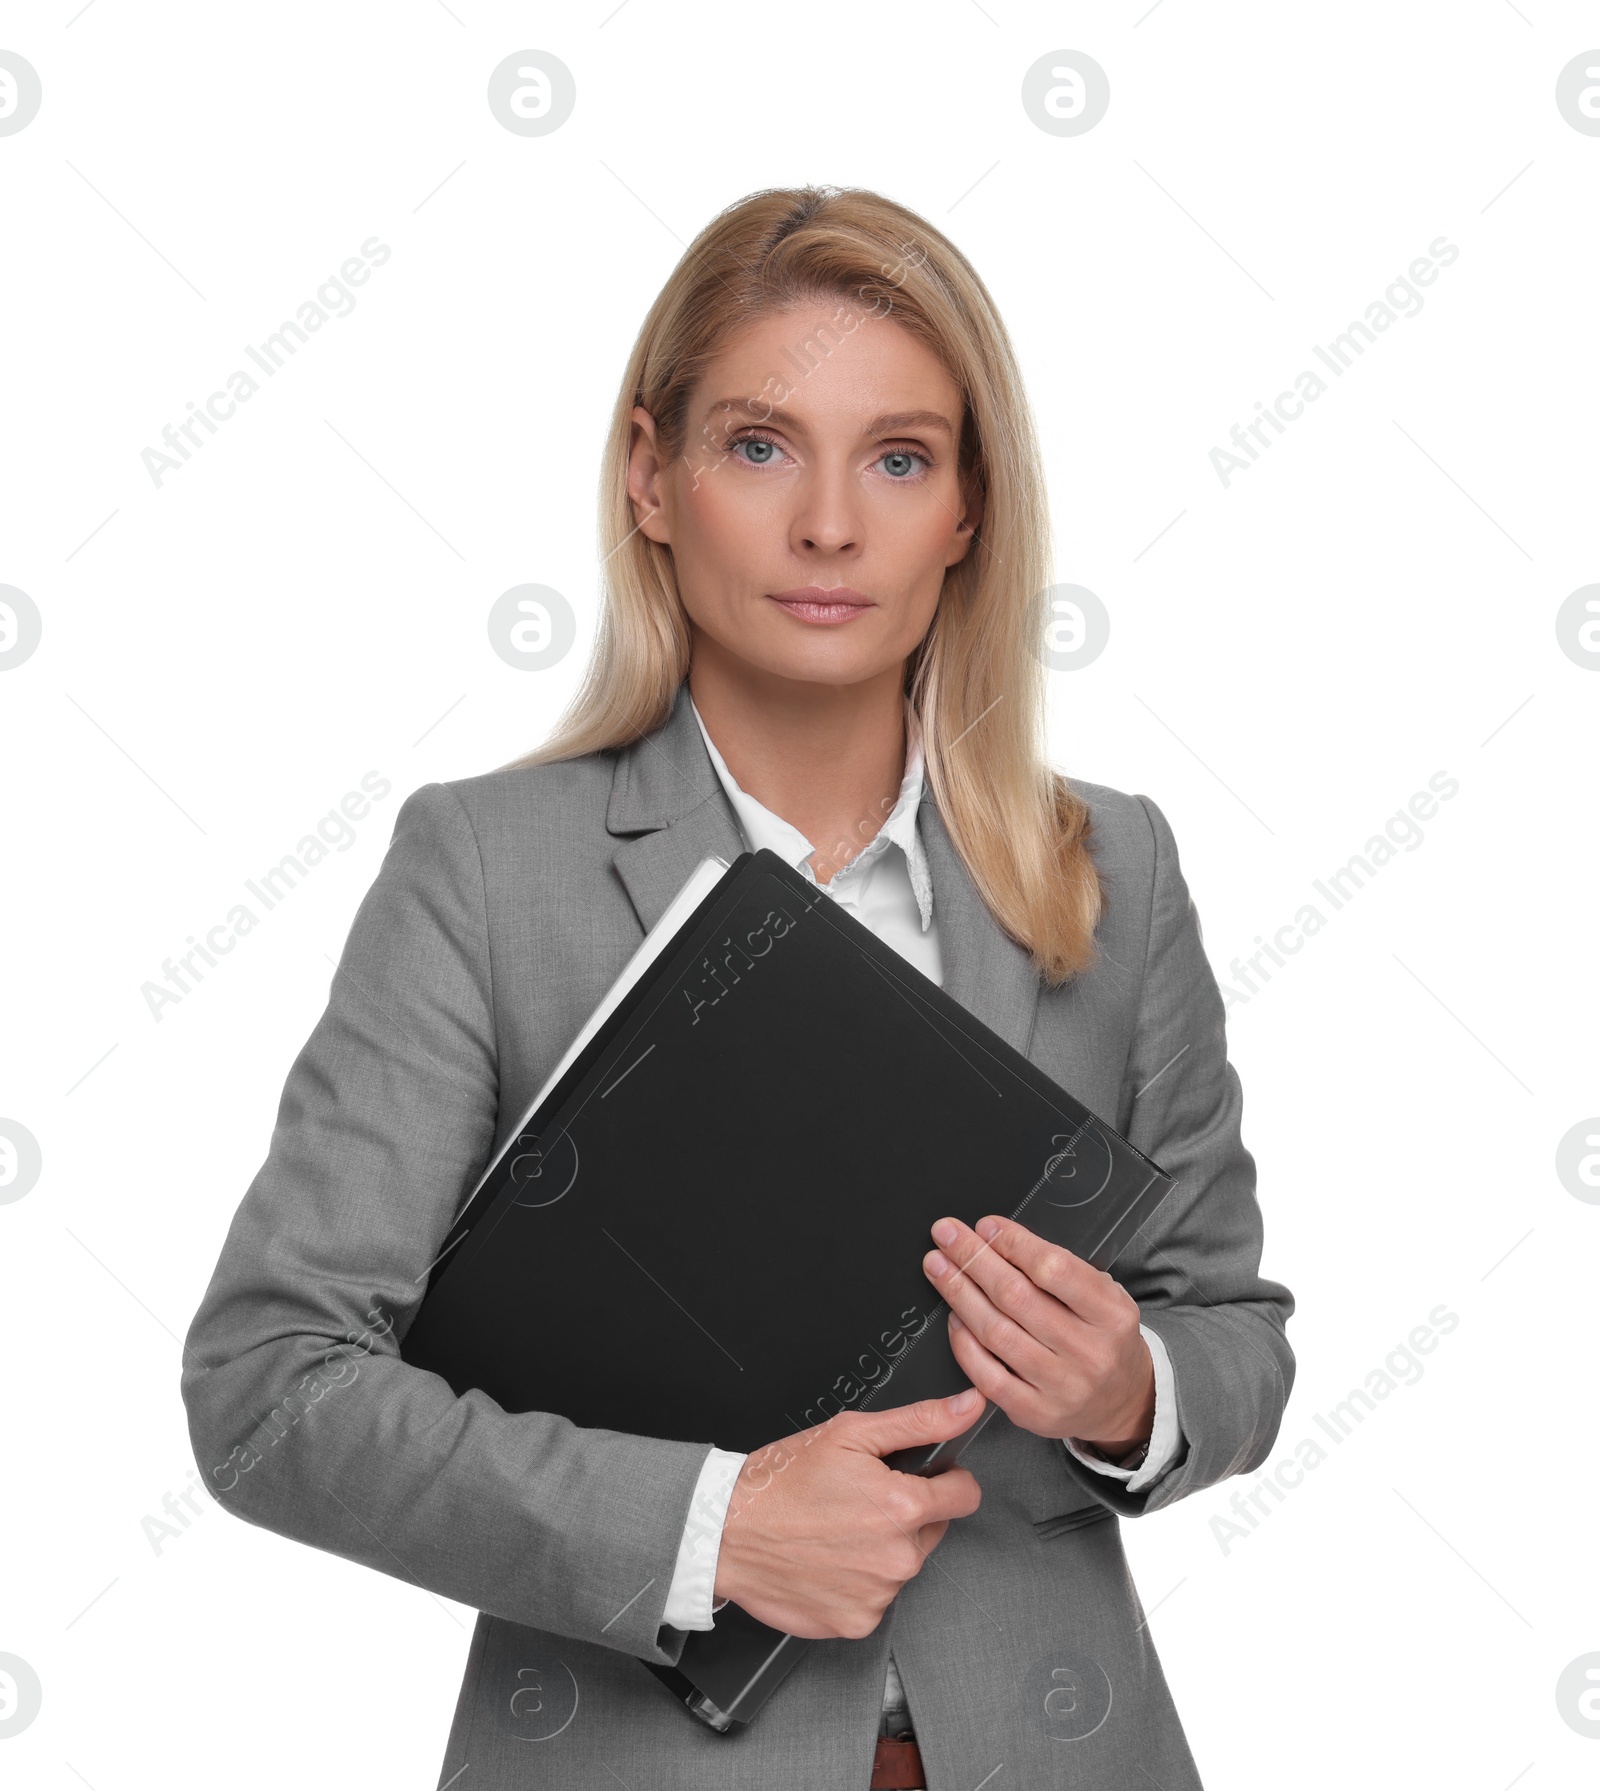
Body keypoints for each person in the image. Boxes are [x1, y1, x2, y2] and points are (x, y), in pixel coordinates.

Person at [181, 184, 1294, 1791]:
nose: (830, 525)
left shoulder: (1112, 868)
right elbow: (272, 1394)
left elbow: (1233, 1330)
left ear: (971, 507)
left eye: (899, 458)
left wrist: (1135, 1392)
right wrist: (711, 1532)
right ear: (652, 475)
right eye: (761, 446)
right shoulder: (490, 871)